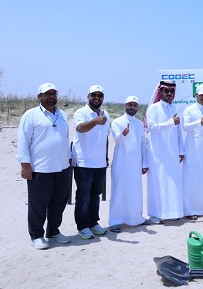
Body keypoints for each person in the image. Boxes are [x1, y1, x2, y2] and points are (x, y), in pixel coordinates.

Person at [16, 82, 71, 250]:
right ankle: (37, 235)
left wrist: (69, 160)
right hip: (41, 169)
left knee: (59, 203)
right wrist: (25, 165)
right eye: (47, 94)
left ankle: (53, 231)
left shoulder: (61, 114)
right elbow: (23, 141)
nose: (51, 97)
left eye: (54, 94)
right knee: (38, 205)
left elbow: (65, 138)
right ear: (40, 96)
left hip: (62, 167)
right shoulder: (31, 115)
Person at [72, 85, 110, 239]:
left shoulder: (105, 114)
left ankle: (93, 223)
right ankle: (82, 226)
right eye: (94, 95)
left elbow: (105, 138)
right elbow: (80, 128)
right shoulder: (81, 112)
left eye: (100, 95)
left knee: (96, 195)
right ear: (88, 96)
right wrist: (95, 121)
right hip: (84, 163)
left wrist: (105, 157)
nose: (97, 98)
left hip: (99, 163)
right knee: (84, 196)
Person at [146, 80, 185, 224]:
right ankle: (156, 214)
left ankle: (172, 212)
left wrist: (181, 149)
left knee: (172, 183)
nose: (169, 93)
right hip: (158, 153)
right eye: (166, 91)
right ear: (160, 92)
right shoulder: (153, 108)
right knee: (158, 183)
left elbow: (178, 131)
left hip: (172, 152)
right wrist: (170, 122)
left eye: (172, 91)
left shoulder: (174, 108)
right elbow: (152, 128)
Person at [108, 95, 149, 232]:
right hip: (121, 163)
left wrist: (144, 163)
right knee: (119, 191)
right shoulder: (117, 122)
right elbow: (118, 141)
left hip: (135, 164)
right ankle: (115, 221)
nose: (132, 107)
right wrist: (124, 134)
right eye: (130, 105)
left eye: (135, 105)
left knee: (135, 191)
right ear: (124, 106)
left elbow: (143, 144)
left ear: (138, 107)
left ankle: (137, 218)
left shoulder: (139, 124)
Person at [182, 84, 203, 220]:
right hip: (192, 150)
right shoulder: (189, 110)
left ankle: (202, 208)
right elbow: (185, 127)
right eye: (201, 95)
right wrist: (199, 122)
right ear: (196, 95)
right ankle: (189, 210)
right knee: (191, 179)